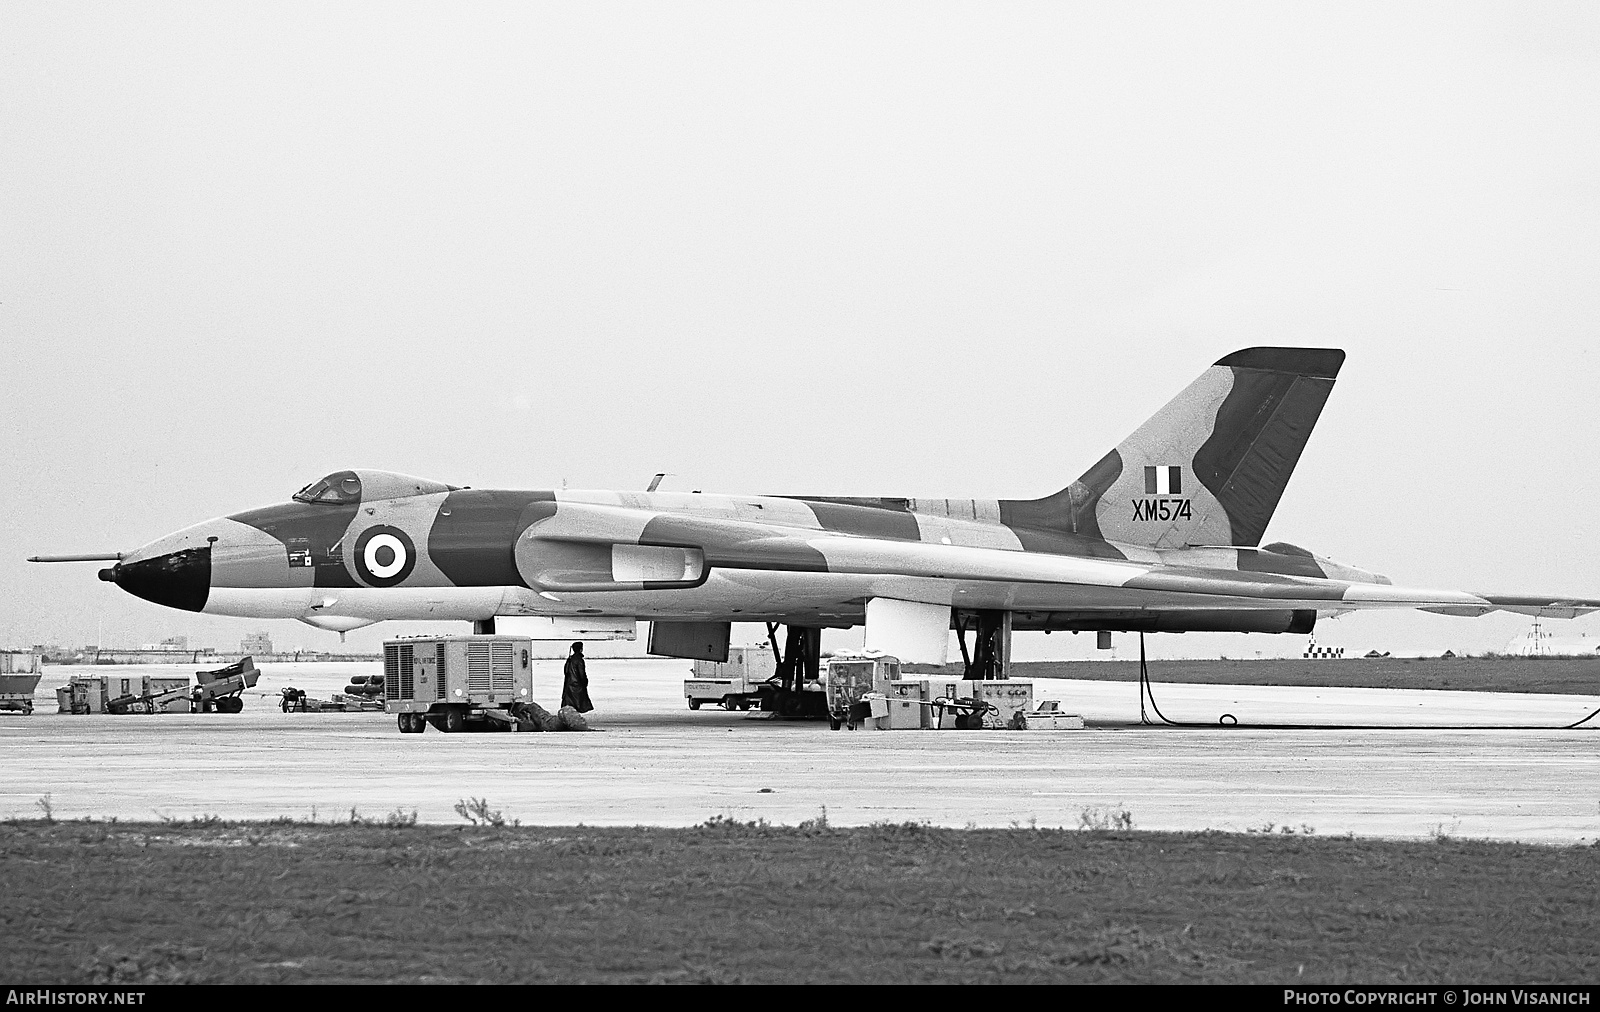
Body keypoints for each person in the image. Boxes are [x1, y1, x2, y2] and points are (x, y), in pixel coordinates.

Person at [561, 642, 593, 713]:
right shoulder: (579, 660)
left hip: (569, 684)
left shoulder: (570, 659)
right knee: (579, 702)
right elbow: (582, 673)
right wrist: (585, 681)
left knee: (570, 704)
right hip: (577, 684)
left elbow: (566, 672)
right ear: (581, 649)